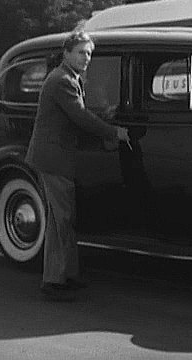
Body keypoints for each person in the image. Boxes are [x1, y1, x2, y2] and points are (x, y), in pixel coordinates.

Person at [26, 30, 130, 301]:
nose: (87, 59)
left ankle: (65, 275)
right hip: (54, 159)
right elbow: (81, 117)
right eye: (82, 53)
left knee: (62, 219)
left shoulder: (69, 78)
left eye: (90, 54)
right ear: (67, 53)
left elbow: (79, 113)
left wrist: (104, 116)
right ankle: (53, 280)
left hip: (56, 158)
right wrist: (114, 132)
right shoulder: (63, 80)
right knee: (62, 220)